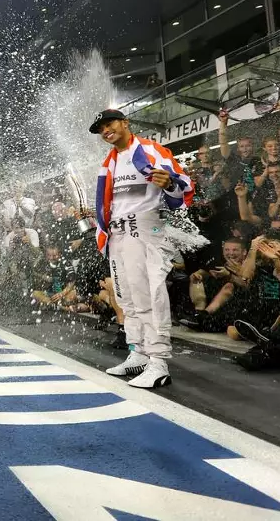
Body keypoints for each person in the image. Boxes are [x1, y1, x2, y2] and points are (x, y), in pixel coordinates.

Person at [90, 109, 192, 388]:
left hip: (145, 228)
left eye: (109, 124)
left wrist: (170, 183)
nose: (105, 131)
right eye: (100, 129)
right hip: (118, 233)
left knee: (148, 293)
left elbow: (182, 184)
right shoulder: (109, 162)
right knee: (127, 298)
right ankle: (139, 353)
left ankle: (159, 362)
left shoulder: (151, 150)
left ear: (125, 123)